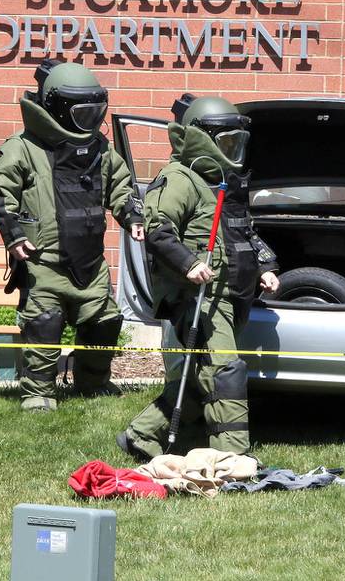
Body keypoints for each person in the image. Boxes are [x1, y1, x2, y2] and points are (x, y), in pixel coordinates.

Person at [118, 94, 279, 460]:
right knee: (225, 371)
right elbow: (158, 229)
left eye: (239, 143)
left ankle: (141, 435)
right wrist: (189, 263)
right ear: (202, 139)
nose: (234, 151)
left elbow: (244, 232)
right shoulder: (178, 179)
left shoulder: (229, 181)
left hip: (233, 292)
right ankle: (231, 457)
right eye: (227, 143)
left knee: (201, 375)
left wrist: (267, 267)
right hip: (199, 296)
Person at [0, 60, 145, 411]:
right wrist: (13, 237)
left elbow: (120, 186)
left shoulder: (101, 151)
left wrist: (132, 215)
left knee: (105, 322)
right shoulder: (23, 148)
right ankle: (38, 393)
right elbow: (0, 193)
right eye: (82, 113)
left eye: (94, 113)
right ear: (58, 108)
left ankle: (93, 383)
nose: (90, 121)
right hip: (44, 263)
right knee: (44, 325)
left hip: (91, 264)